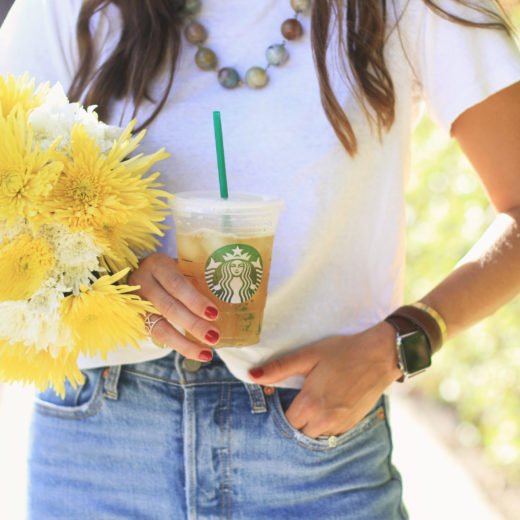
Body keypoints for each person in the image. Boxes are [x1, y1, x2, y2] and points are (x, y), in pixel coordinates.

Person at [1, 0, 520, 518]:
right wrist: (112, 281)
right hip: (99, 446)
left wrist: (405, 337)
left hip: (314, 445)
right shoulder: (67, 8)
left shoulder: (410, 9)